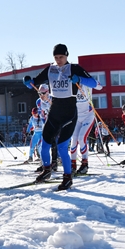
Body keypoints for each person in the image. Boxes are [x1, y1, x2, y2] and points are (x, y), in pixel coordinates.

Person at [23, 43, 97, 190]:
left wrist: (79, 80)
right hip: (54, 111)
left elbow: (94, 83)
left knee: (63, 147)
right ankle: (47, 170)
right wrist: (27, 82)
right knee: (45, 143)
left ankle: (68, 177)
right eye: (56, 57)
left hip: (69, 112)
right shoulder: (51, 69)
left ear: (67, 55)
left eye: (61, 57)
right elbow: (34, 82)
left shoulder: (74, 68)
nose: (58, 60)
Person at [69, 80, 102, 175]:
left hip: (88, 116)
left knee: (81, 138)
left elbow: (100, 86)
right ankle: (73, 164)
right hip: (77, 117)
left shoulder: (86, 83)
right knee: (74, 140)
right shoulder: (70, 84)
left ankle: (84, 164)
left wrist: (84, 80)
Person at [35, 84, 59, 172]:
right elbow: (41, 114)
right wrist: (44, 123)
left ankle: (54, 162)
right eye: (39, 93)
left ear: (48, 92)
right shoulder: (38, 102)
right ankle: (45, 163)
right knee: (43, 144)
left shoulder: (53, 99)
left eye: (43, 93)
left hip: (56, 123)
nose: (41, 95)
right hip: (46, 122)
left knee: (53, 142)